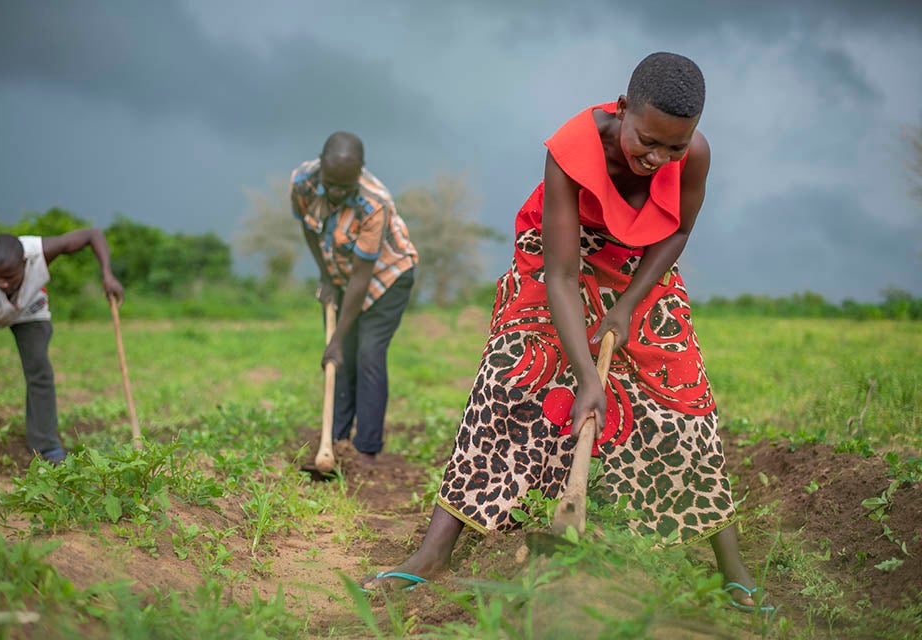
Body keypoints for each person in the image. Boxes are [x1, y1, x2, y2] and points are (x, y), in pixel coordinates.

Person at [362, 52, 773, 613]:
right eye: (646, 141)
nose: (658, 158)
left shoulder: (693, 155)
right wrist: (585, 376)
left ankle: (732, 566)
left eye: (674, 147)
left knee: (682, 393)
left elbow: (674, 233)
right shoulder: (571, 149)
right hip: (559, 255)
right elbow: (559, 274)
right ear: (623, 108)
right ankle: (434, 552)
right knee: (510, 371)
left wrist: (627, 306)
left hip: (641, 265)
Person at [291, 131, 418, 464]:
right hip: (342, 274)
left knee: (367, 352)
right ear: (320, 166)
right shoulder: (303, 181)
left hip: (388, 277)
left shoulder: (374, 202)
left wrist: (336, 338)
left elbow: (362, 277)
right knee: (341, 357)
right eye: (329, 183)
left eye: (343, 187)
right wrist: (325, 275)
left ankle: (366, 450)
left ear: (360, 172)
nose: (334, 193)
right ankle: (334, 441)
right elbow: (308, 226)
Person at [0, 229, 125, 464]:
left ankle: (45, 445)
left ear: (24, 263)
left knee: (39, 369)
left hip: (29, 305)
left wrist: (107, 274)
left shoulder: (40, 252)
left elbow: (93, 235)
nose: (3, 283)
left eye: (9, 276)